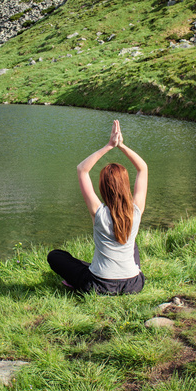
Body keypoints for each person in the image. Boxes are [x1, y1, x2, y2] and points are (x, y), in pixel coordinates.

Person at [47, 119, 148, 295]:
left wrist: (109, 146)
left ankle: (77, 281)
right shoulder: (136, 210)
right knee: (132, 244)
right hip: (133, 284)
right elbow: (143, 169)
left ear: (102, 187)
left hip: (99, 285)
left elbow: (82, 170)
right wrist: (121, 146)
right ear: (125, 185)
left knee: (55, 256)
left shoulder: (98, 211)